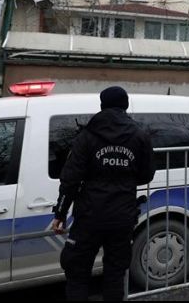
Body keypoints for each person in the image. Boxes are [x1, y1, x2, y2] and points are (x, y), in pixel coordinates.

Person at [51, 86, 155, 301]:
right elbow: (146, 175)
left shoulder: (87, 135)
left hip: (89, 216)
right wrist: (123, 176)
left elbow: (70, 178)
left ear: (102, 105)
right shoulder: (139, 135)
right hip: (122, 216)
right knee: (115, 275)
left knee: (77, 273)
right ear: (125, 105)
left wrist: (60, 213)